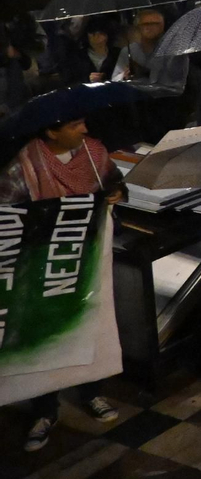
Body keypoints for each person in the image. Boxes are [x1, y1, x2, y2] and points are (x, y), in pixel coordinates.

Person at [0, 115, 128, 451]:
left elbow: (116, 182)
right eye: (75, 126)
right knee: (46, 330)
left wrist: (114, 193)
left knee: (89, 323)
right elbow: (8, 208)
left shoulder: (94, 153)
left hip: (87, 258)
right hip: (44, 264)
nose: (85, 129)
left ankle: (91, 391)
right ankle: (44, 409)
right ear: (51, 131)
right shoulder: (25, 163)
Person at [111, 8, 189, 94]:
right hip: (133, 100)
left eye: (156, 24)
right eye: (146, 24)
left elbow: (175, 84)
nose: (151, 27)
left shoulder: (174, 50)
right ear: (138, 27)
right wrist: (124, 75)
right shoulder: (129, 50)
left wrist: (145, 73)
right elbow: (114, 79)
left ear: (163, 26)